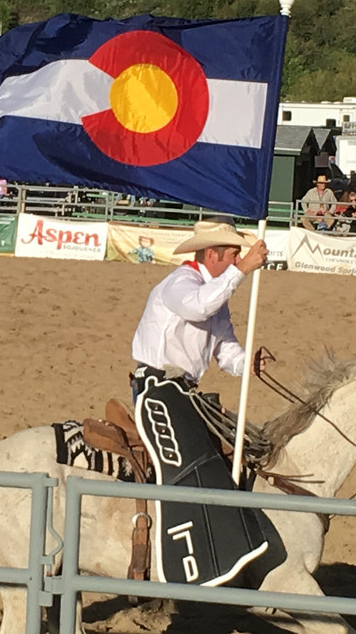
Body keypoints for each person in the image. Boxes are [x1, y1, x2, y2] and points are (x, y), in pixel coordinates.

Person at [131, 219, 269, 586]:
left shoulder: (216, 296)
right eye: (233, 254)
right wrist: (241, 271)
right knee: (195, 462)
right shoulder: (181, 282)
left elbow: (226, 350)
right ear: (212, 254)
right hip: (158, 389)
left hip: (186, 391)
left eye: (239, 255)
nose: (238, 259)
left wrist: (247, 364)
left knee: (245, 446)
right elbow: (196, 308)